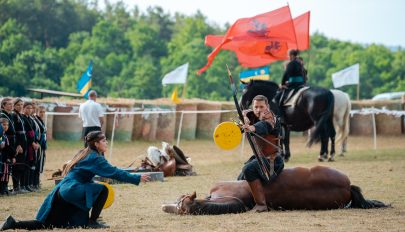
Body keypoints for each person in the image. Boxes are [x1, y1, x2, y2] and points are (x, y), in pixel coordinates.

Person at [0, 131, 150, 230]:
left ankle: (13, 223)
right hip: (72, 190)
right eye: (104, 140)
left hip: (62, 190)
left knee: (47, 224)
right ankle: (93, 221)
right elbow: (114, 172)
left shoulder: (84, 152)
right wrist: (136, 177)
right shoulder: (95, 158)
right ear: (96, 143)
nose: (106, 142)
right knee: (102, 189)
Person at [237, 95, 284, 212]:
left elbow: (265, 126)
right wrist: (243, 120)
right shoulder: (251, 114)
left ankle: (261, 205)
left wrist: (252, 128)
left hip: (272, 161)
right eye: (256, 107)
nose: (258, 110)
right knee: (240, 177)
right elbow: (244, 114)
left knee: (249, 169)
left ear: (267, 106)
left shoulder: (271, 117)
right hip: (259, 158)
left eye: (261, 107)